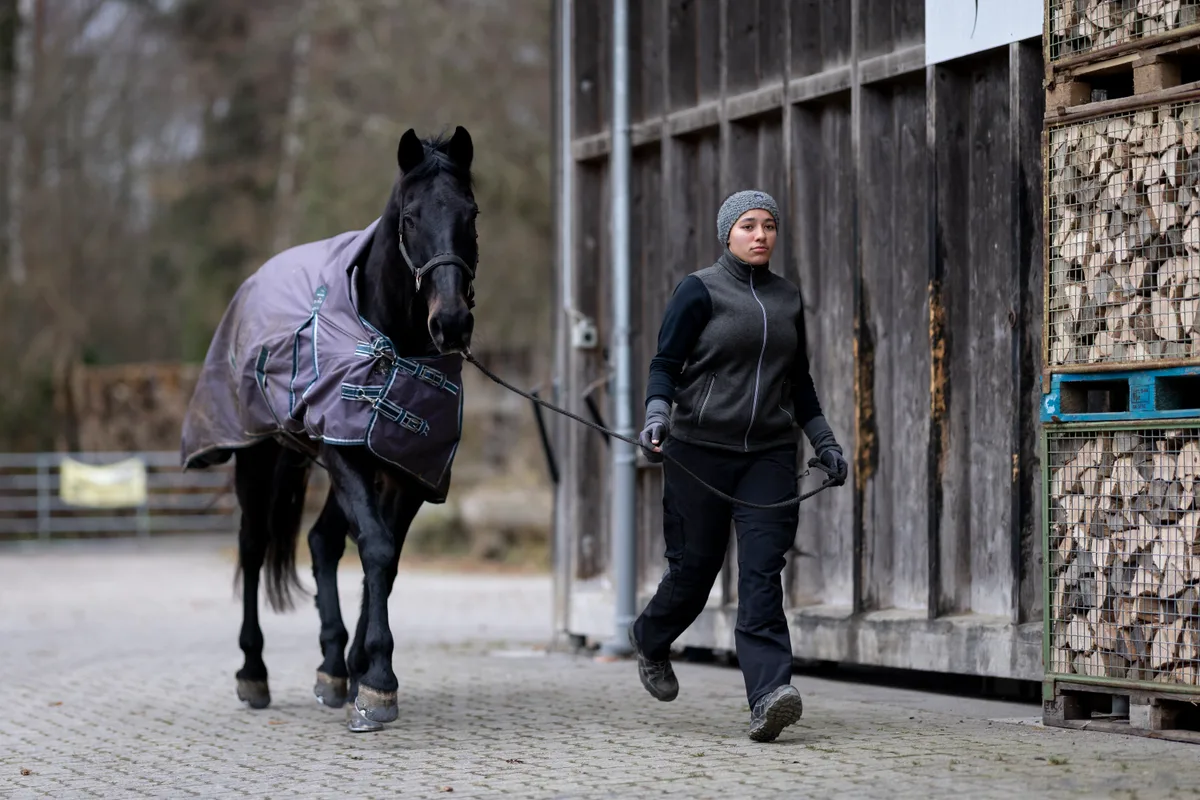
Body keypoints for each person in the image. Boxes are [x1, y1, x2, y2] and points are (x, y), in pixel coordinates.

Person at [629, 189, 848, 743]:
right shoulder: (699, 290)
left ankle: (769, 695)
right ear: (727, 233)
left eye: (768, 225)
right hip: (697, 451)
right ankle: (651, 638)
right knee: (693, 574)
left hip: (767, 456)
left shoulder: (787, 298)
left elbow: (799, 383)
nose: (760, 234)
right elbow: (665, 364)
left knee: (761, 574)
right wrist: (656, 417)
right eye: (748, 225)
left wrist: (825, 443)